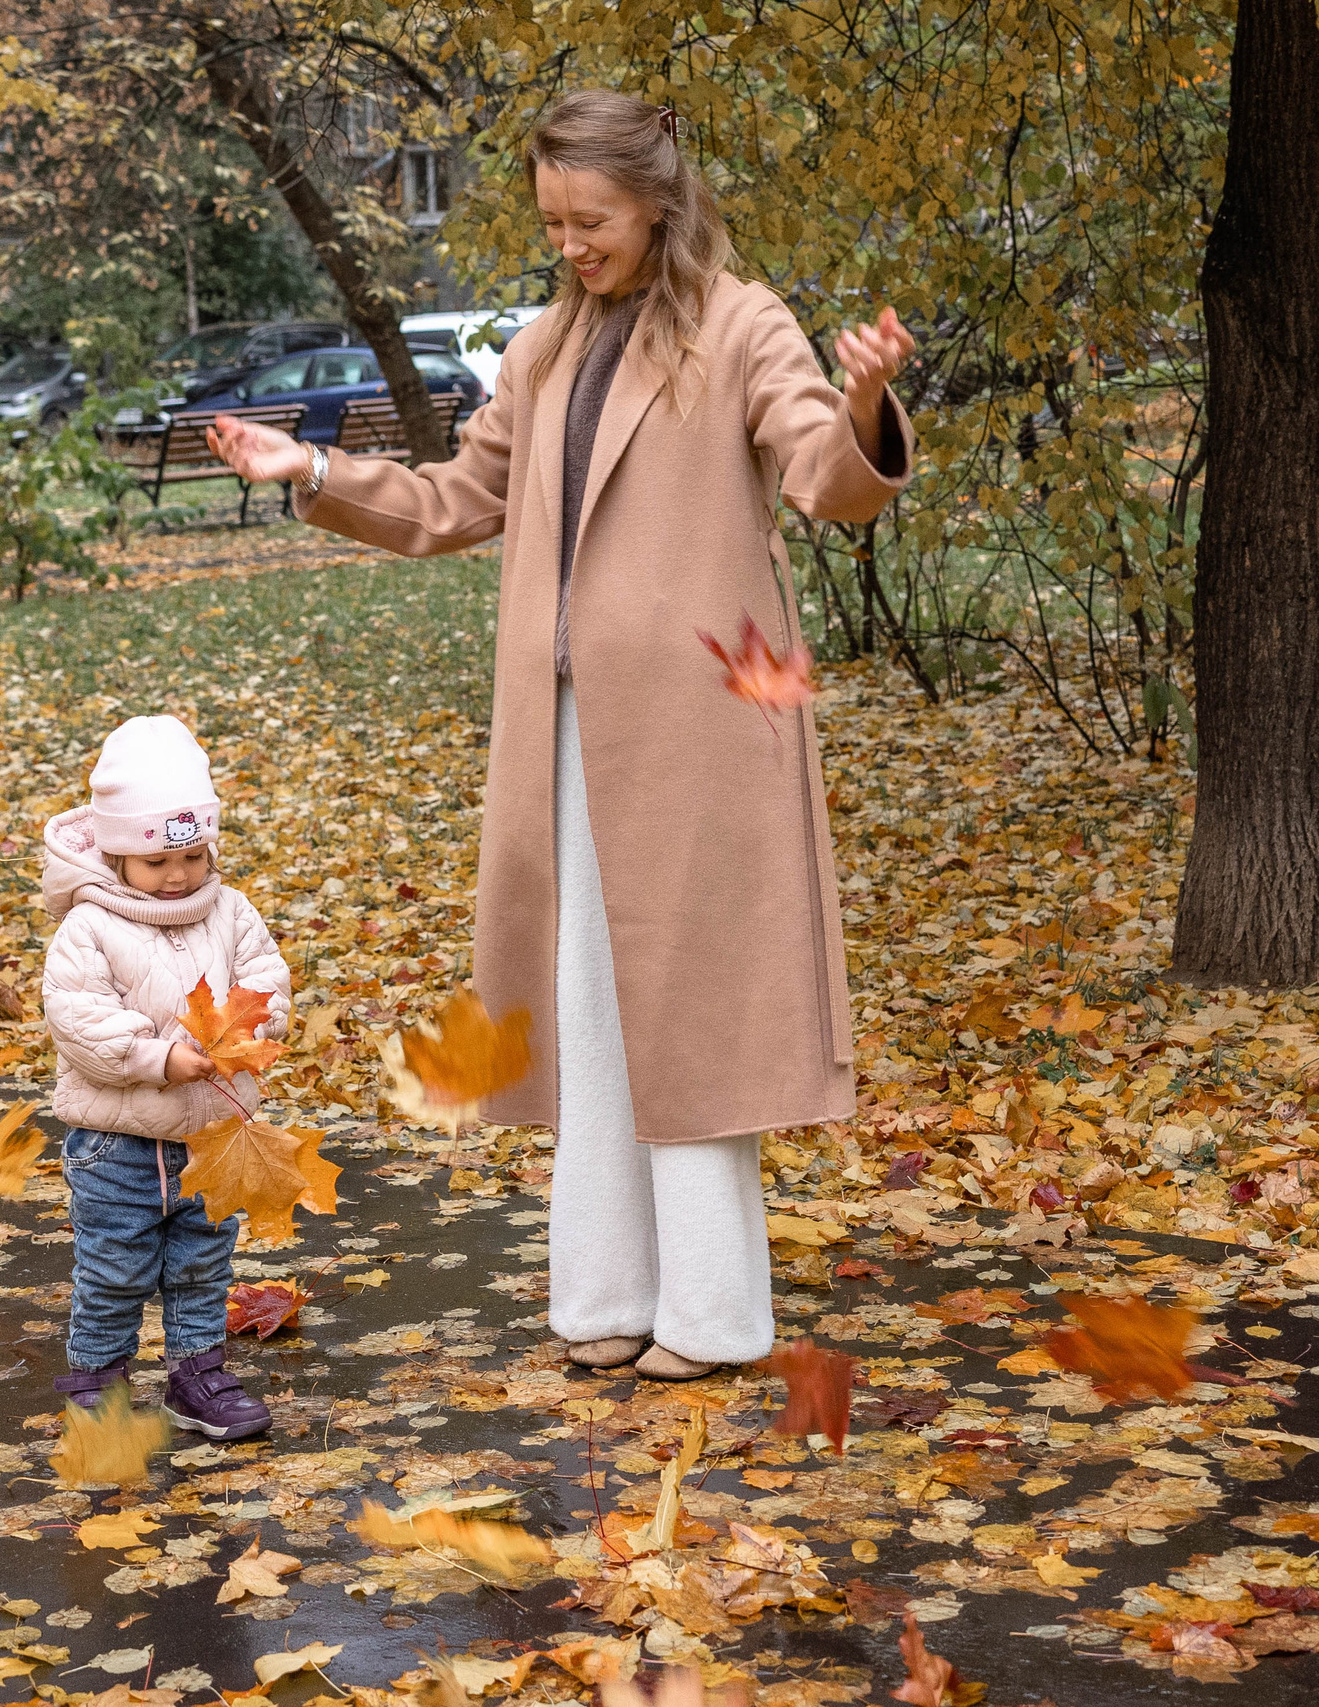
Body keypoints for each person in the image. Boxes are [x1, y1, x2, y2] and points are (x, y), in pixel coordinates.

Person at [206, 91, 916, 1382]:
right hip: (565, 736)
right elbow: (456, 499)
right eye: (553, 223)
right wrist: (307, 472)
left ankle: (710, 1316)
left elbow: (827, 476)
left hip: (701, 738)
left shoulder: (742, 324)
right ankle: (603, 1300)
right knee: (587, 1013)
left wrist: (864, 402)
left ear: (657, 203)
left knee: (691, 1021)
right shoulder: (541, 348)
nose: (572, 243)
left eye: (591, 219)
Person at [40, 715, 291, 1439]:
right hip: (118, 1146)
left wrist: (256, 1024)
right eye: (157, 861)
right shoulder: (90, 928)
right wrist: (157, 1058)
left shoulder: (230, 909)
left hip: (212, 1136)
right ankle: (99, 1383)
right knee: (114, 1270)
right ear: (118, 854)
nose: (179, 874)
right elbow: (79, 1020)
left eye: (192, 853)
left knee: (200, 1266)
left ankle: (196, 1375)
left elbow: (265, 978)